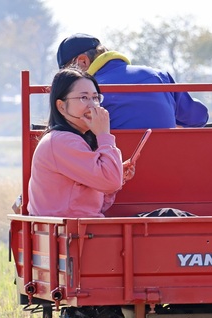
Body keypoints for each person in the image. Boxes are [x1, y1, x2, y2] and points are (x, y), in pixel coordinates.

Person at [27, 68, 135, 217]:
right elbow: (110, 182)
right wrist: (104, 134)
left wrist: (117, 175)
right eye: (84, 98)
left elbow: (95, 205)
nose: (93, 105)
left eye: (95, 98)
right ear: (61, 106)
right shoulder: (62, 141)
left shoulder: (75, 139)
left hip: (82, 231)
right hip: (74, 235)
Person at [55, 33, 209, 129]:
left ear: (83, 62)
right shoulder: (159, 76)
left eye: (69, 72)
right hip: (171, 170)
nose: (69, 80)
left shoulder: (87, 94)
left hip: (114, 175)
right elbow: (199, 117)